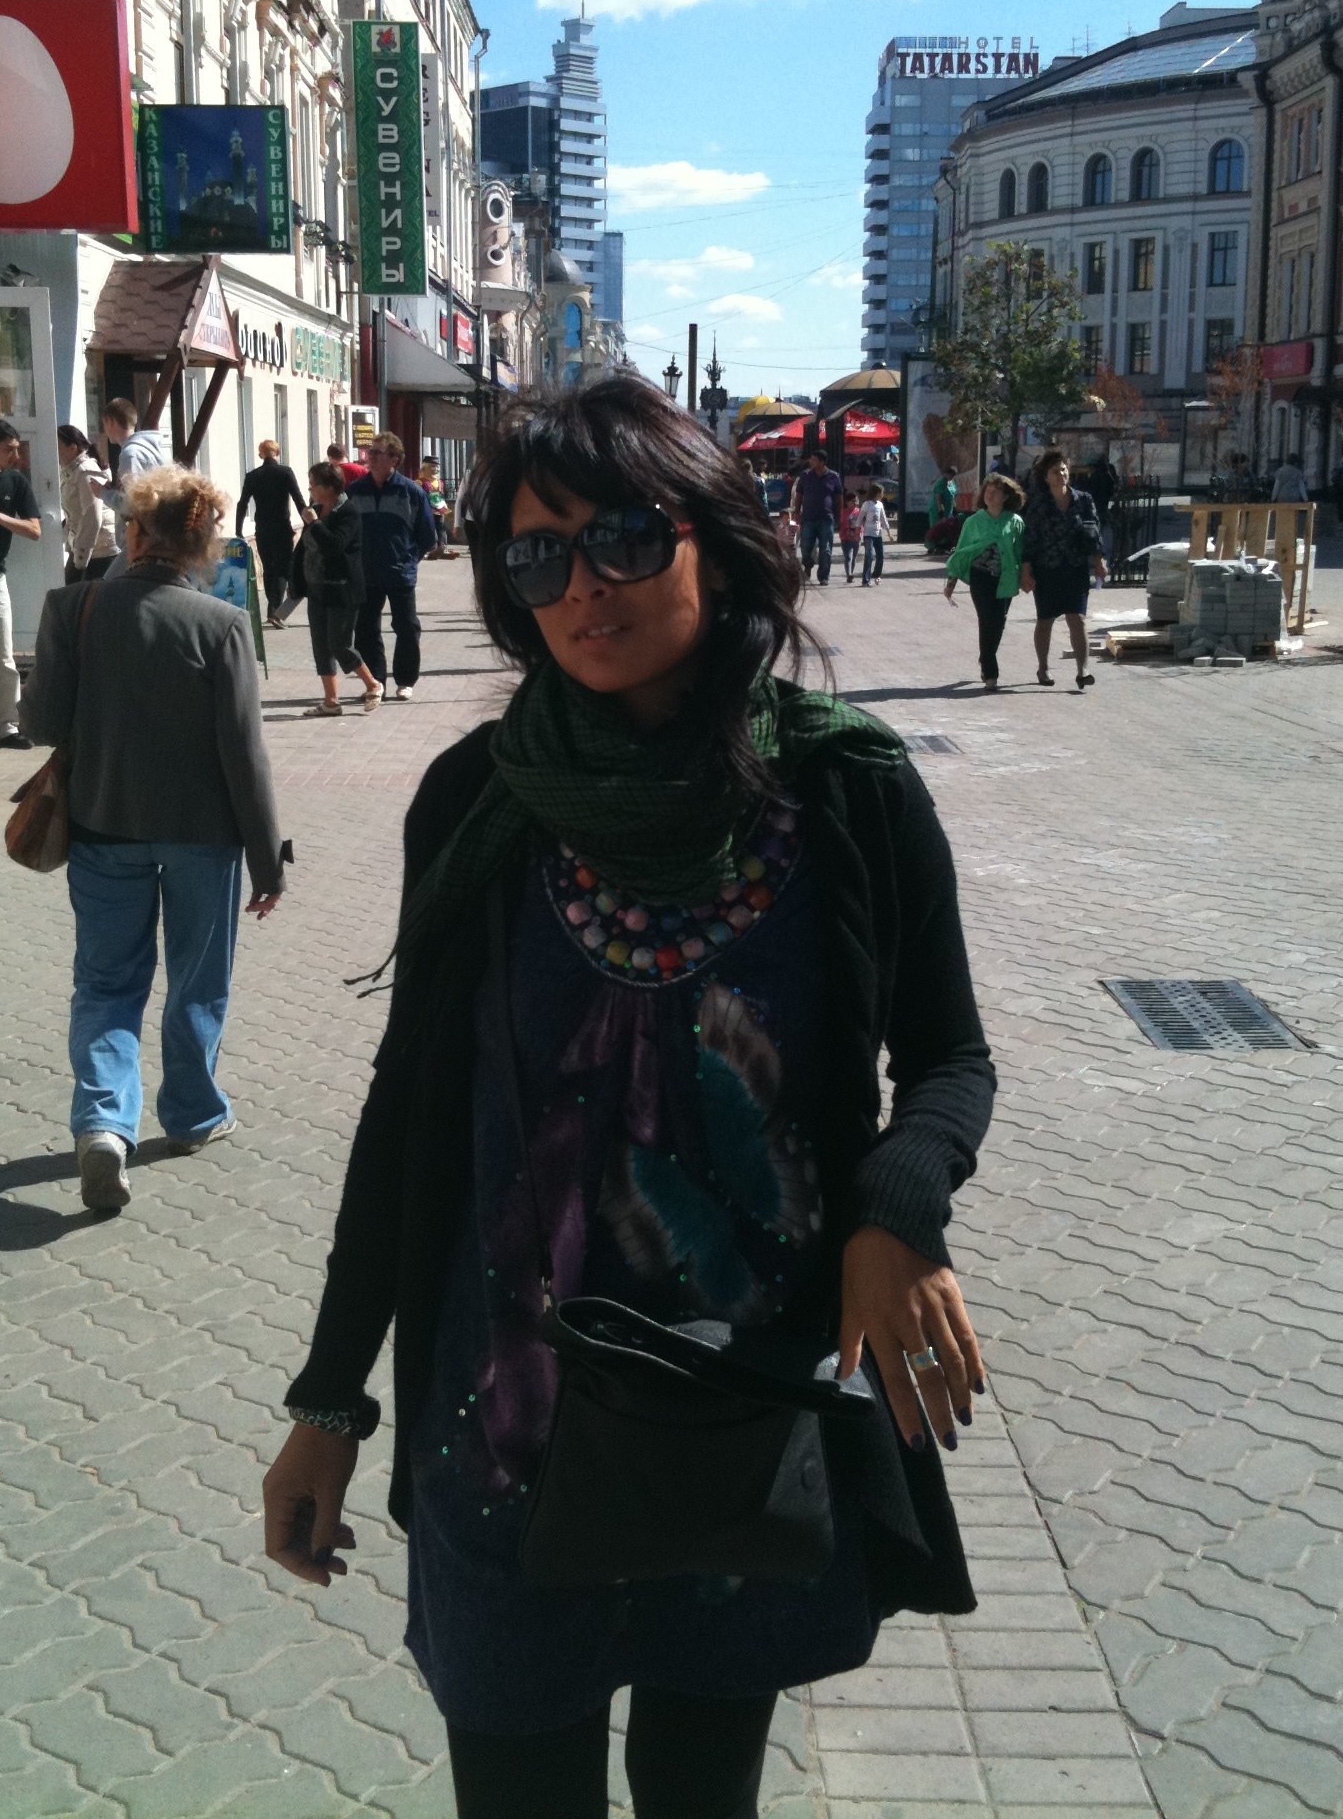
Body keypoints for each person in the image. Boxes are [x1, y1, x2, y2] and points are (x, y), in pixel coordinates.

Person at [263, 376, 995, 1819]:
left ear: (716, 540)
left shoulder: (845, 790)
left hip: (742, 1405)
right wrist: (331, 1398)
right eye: (538, 555)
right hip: (504, 1425)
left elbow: (951, 1058)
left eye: (623, 537)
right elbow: (409, 1120)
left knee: (699, 1791)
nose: (582, 586)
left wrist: (898, 1213)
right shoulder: (476, 798)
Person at [21, 467, 287, 1213]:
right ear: (201, 546)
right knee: (198, 980)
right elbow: (246, 755)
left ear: (135, 533)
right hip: (205, 838)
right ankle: (194, 1115)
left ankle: (105, 1125)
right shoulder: (222, 624)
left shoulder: (73, 606)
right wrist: (267, 860)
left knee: (107, 985)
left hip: (103, 827)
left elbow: (41, 724)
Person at [350, 432, 436, 701]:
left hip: (400, 573)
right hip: (365, 574)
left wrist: (409, 560)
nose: (371, 457)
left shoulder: (411, 492)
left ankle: (405, 680)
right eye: (370, 452)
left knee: (407, 627)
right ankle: (376, 682)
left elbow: (427, 536)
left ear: (394, 459)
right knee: (366, 630)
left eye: (378, 453)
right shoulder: (355, 491)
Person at [0, 417, 41, 750]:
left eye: (17, 449)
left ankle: (7, 727)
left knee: (2, 655)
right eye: (9, 449)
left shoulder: (15, 481)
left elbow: (35, 530)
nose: (16, 456)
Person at [297, 462, 383, 716]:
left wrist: (315, 524)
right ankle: (331, 701)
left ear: (329, 486)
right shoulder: (315, 510)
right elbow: (304, 548)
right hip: (317, 587)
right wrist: (295, 581)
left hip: (342, 588)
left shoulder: (348, 512)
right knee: (320, 646)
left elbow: (335, 546)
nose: (310, 488)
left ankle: (373, 684)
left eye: (313, 484)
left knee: (339, 644)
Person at [1020, 450, 1107, 691]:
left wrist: (1099, 561)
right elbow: (1030, 539)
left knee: (1077, 618)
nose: (1061, 474)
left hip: (1075, 567)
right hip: (1046, 569)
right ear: (1046, 477)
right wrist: (1025, 571)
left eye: (1064, 469)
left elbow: (1094, 533)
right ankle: (1043, 667)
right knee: (1045, 619)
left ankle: (1083, 670)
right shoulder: (1038, 504)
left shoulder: (1084, 500)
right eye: (1055, 471)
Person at [943, 474, 1027, 691]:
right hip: (980, 578)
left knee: (999, 621)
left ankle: (985, 656)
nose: (990, 494)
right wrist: (951, 581)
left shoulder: (1015, 522)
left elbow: (1021, 553)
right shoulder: (973, 522)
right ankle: (990, 672)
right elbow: (961, 552)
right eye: (987, 490)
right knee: (987, 619)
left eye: (996, 491)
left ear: (1006, 496)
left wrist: (1026, 576)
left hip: (1006, 578)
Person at [236, 439, 306, 623]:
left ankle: (272, 608)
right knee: (282, 568)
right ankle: (274, 610)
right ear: (278, 453)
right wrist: (309, 523)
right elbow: (298, 499)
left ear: (260, 454)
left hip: (262, 528)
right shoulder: (285, 472)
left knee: (268, 568)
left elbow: (242, 503)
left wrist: (238, 530)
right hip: (282, 527)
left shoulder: (252, 476)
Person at [100, 398, 170, 577]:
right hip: (156, 535)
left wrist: (102, 493)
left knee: (110, 586)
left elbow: (133, 504)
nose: (104, 430)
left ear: (111, 421)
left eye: (104, 424)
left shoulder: (130, 454)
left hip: (140, 540)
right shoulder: (149, 449)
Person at [57, 424, 117, 583]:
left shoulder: (85, 471)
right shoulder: (70, 471)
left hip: (100, 551)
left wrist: (81, 557)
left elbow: (92, 516)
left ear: (72, 448)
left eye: (58, 447)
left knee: (85, 595)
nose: (54, 453)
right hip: (84, 547)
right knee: (71, 593)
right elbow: (73, 515)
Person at [791, 449, 842, 586]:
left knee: (826, 549)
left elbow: (839, 498)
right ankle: (808, 564)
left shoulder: (834, 477)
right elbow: (799, 494)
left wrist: (839, 517)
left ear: (822, 462)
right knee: (805, 546)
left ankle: (823, 576)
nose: (811, 462)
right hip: (808, 518)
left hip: (827, 519)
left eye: (814, 460)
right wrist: (796, 512)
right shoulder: (805, 475)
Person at [858, 483, 891, 587]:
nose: (882, 495)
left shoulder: (880, 505)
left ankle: (876, 574)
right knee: (869, 555)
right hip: (868, 534)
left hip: (878, 534)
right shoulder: (866, 504)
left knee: (880, 555)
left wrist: (889, 533)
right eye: (881, 493)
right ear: (876, 493)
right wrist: (857, 529)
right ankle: (865, 580)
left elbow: (883, 519)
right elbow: (860, 517)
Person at [841, 493, 863, 583]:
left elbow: (862, 524)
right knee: (848, 557)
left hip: (857, 538)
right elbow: (842, 525)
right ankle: (849, 574)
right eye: (853, 501)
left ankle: (851, 573)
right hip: (846, 539)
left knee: (853, 557)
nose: (855, 502)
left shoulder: (860, 512)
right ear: (847, 502)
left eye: (856, 500)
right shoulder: (844, 512)